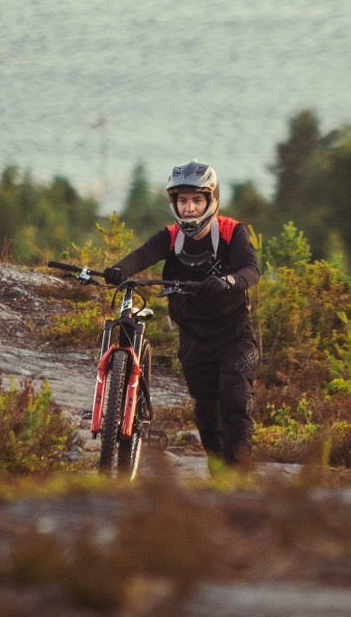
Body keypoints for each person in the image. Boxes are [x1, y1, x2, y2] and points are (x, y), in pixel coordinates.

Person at [103, 160, 259, 468]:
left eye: (196, 200)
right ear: (174, 202)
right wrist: (119, 270)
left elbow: (251, 270)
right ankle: (220, 474)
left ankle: (241, 478)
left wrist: (228, 281)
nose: (189, 207)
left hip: (235, 336)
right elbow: (143, 255)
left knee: (236, 396)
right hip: (194, 340)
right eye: (183, 200)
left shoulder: (231, 232)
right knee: (206, 411)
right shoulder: (171, 237)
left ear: (210, 200)